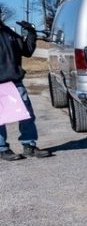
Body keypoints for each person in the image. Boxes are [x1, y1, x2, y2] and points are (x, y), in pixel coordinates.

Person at [0, 18, 51, 160]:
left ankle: (29, 145)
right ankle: (2, 148)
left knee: (27, 114)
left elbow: (27, 51)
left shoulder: (8, 32)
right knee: (0, 118)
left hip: (15, 82)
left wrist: (31, 32)